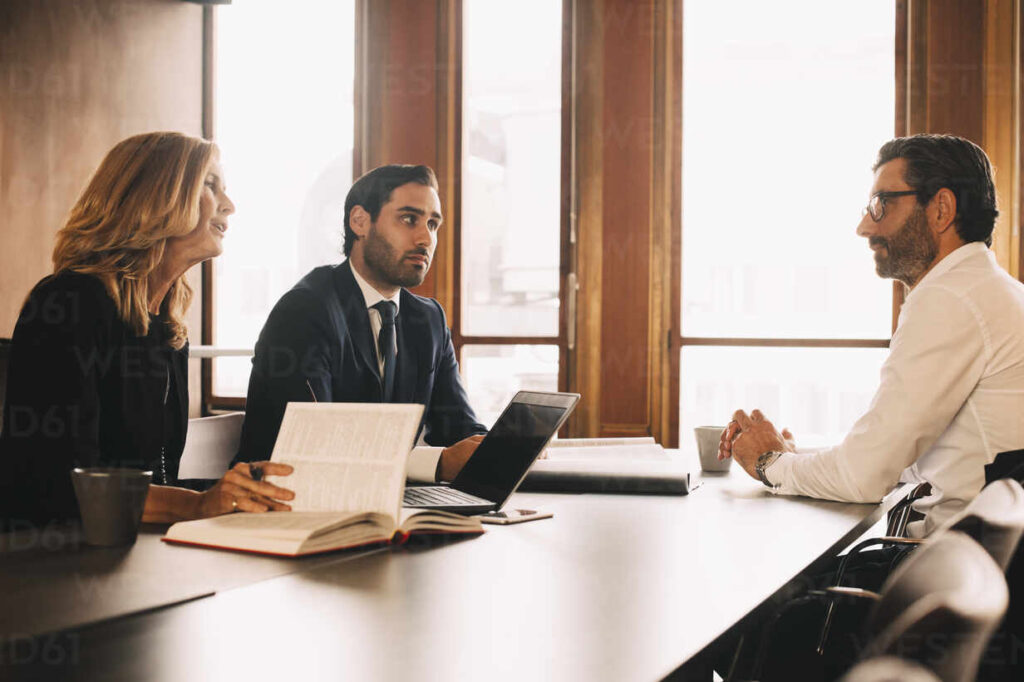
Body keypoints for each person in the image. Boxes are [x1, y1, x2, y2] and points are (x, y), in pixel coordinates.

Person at [719, 134, 1024, 537]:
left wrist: (768, 463)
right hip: (979, 572)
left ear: (941, 209)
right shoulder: (992, 290)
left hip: (932, 572)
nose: (865, 226)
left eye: (882, 204)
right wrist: (793, 457)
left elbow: (862, 477)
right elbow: (898, 456)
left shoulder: (950, 299)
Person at [0, 132, 295, 528]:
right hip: (60, 562)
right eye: (210, 185)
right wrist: (197, 505)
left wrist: (239, 490)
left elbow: (157, 477)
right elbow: (62, 483)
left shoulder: (170, 327)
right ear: (156, 197)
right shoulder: (68, 302)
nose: (229, 205)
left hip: (138, 548)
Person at [236, 164, 487, 481]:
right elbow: (311, 449)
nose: (426, 238)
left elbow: (459, 430)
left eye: (433, 224)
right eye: (409, 219)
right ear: (360, 221)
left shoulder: (428, 319)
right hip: (284, 504)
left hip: (385, 503)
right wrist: (436, 464)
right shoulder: (305, 310)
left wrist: (498, 449)